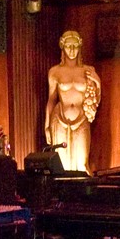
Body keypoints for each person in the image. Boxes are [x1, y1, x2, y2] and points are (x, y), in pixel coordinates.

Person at [43, 30, 101, 174]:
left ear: (80, 47)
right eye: (69, 46)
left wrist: (97, 81)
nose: (72, 50)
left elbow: (95, 100)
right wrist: (47, 125)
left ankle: (82, 194)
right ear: (63, 47)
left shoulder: (88, 70)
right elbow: (51, 99)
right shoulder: (55, 72)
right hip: (60, 118)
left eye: (75, 46)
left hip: (81, 119)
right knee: (61, 164)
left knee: (82, 162)